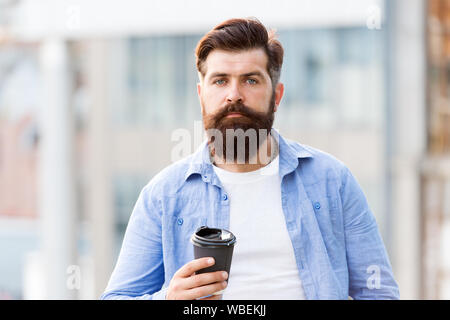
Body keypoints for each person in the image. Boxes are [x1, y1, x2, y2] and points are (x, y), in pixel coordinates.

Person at [101, 17, 400, 300]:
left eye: (251, 80)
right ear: (200, 94)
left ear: (277, 96)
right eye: (220, 81)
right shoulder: (163, 196)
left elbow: (379, 291)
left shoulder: (333, 181)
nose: (234, 94)